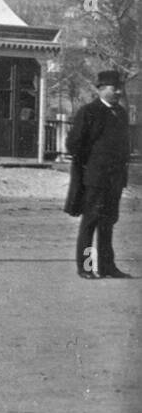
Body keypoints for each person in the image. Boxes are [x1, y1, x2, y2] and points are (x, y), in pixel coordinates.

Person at [66, 70, 132, 279]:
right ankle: (85, 267)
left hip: (115, 179)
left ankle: (107, 266)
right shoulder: (89, 112)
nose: (119, 92)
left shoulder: (120, 113)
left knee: (108, 222)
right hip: (95, 178)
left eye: (120, 88)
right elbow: (74, 144)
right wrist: (91, 165)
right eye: (115, 88)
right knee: (90, 222)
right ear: (101, 89)